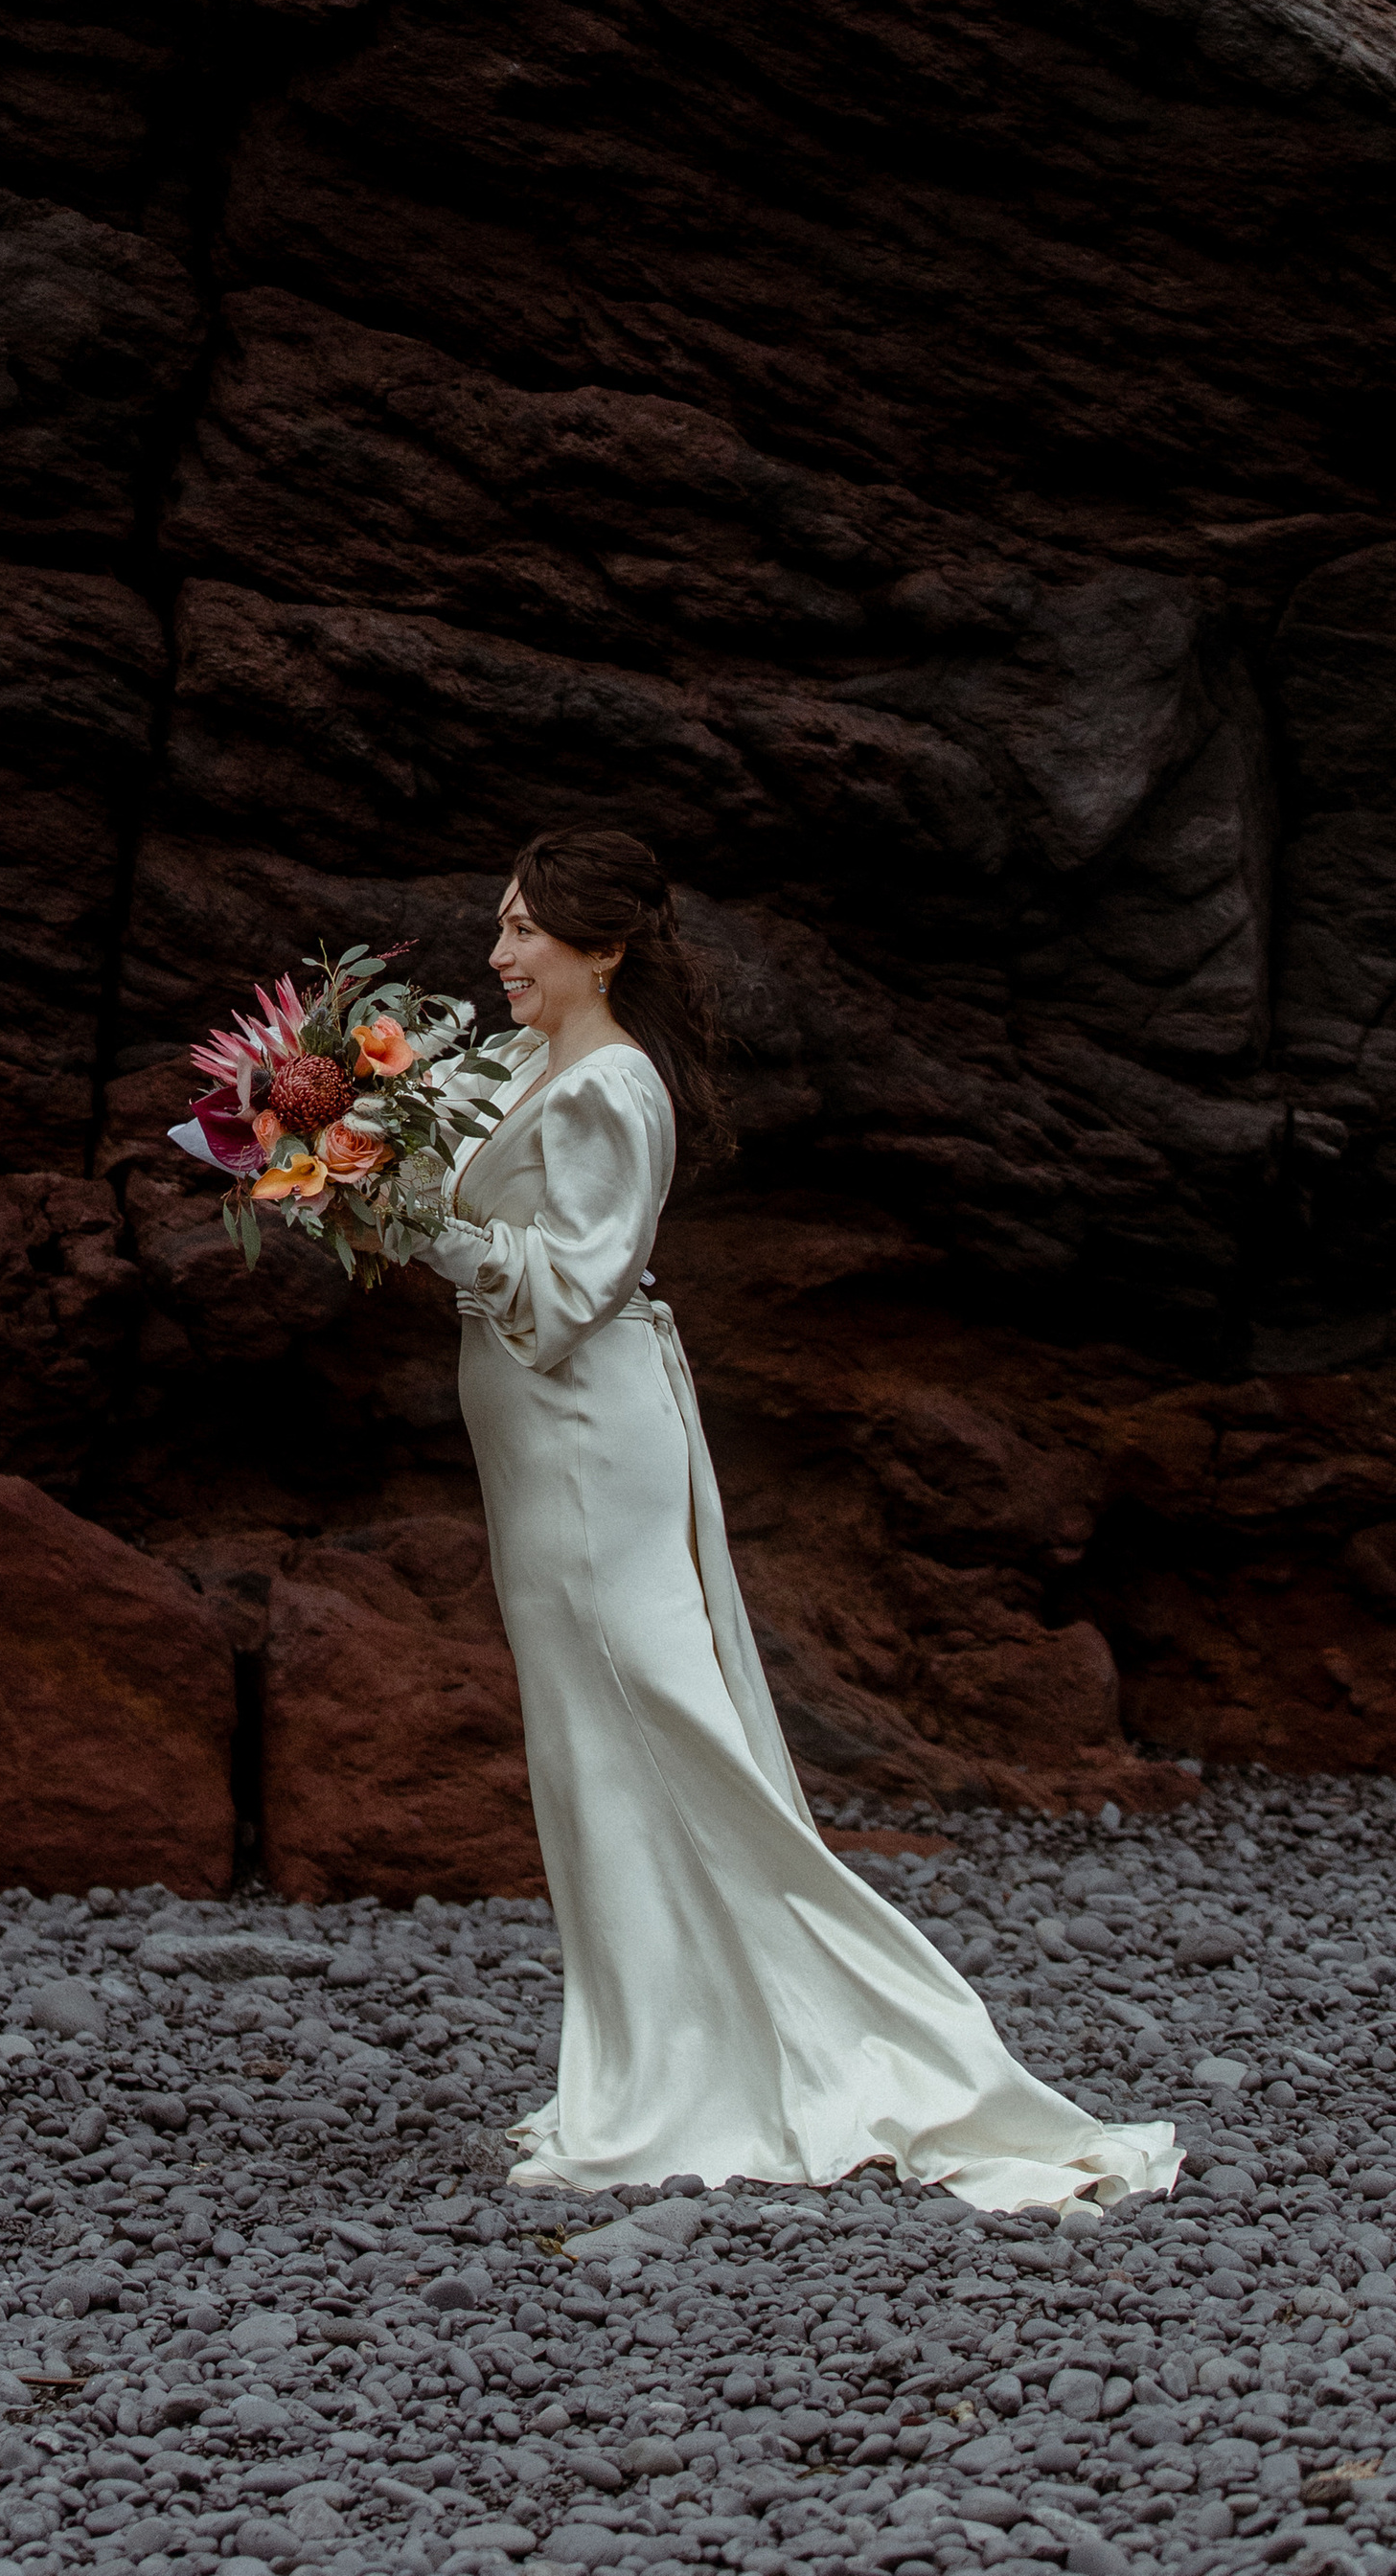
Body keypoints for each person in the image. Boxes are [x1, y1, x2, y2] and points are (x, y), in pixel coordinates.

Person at [414, 828, 1177, 2211]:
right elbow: (428, 1140)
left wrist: (412, 1224)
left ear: (602, 950)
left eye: (523, 931)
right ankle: (645, 2057)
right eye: (502, 925)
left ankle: (859, 2040)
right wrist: (343, 1149)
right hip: (540, 1434)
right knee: (589, 1743)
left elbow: (569, 1287)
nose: (497, 953)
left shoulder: (612, 1090)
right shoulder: (522, 1060)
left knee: (655, 1716)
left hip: (588, 1429)